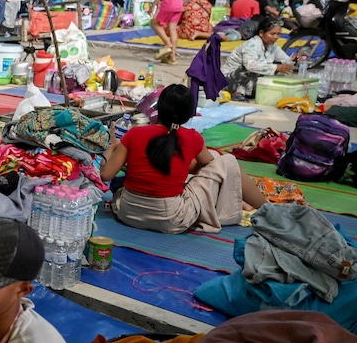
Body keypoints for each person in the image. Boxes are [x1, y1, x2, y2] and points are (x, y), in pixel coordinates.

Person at [101, 85, 267, 234]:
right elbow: (210, 164)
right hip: (170, 219)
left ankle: (250, 204)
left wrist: (112, 147)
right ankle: (268, 209)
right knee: (228, 161)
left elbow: (106, 175)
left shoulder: (134, 134)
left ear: (158, 108)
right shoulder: (192, 138)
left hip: (128, 213)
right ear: (188, 115)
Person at [220, 16, 294, 100]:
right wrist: (276, 67)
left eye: (278, 34)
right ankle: (238, 93)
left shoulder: (272, 46)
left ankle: (253, 90)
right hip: (229, 80)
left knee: (277, 67)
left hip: (246, 80)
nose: (276, 37)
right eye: (272, 34)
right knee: (250, 67)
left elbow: (284, 59)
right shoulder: (252, 45)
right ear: (261, 33)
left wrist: (293, 60)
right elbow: (250, 65)